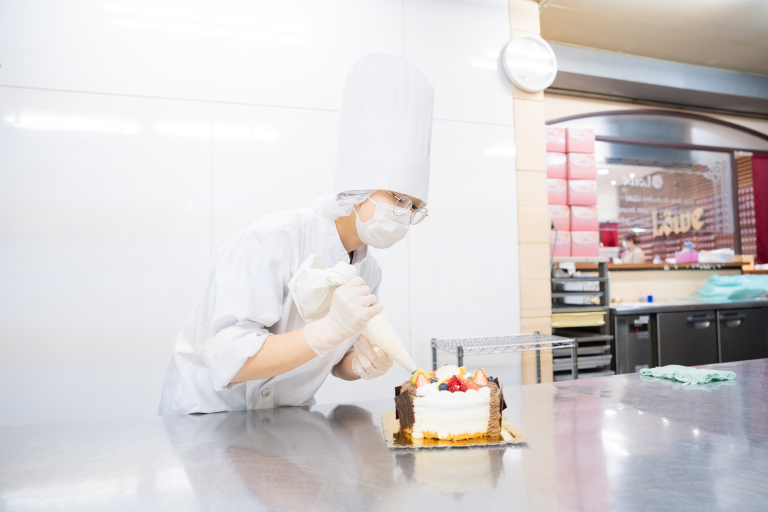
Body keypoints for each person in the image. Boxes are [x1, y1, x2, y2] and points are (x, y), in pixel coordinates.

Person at [158, 54, 434, 415]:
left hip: (283, 422)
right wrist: (327, 330)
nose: (403, 213)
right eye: (397, 198)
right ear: (358, 190)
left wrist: (357, 364)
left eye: (413, 208)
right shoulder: (273, 240)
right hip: (209, 418)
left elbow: (334, 360)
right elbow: (229, 357)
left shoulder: (369, 271)